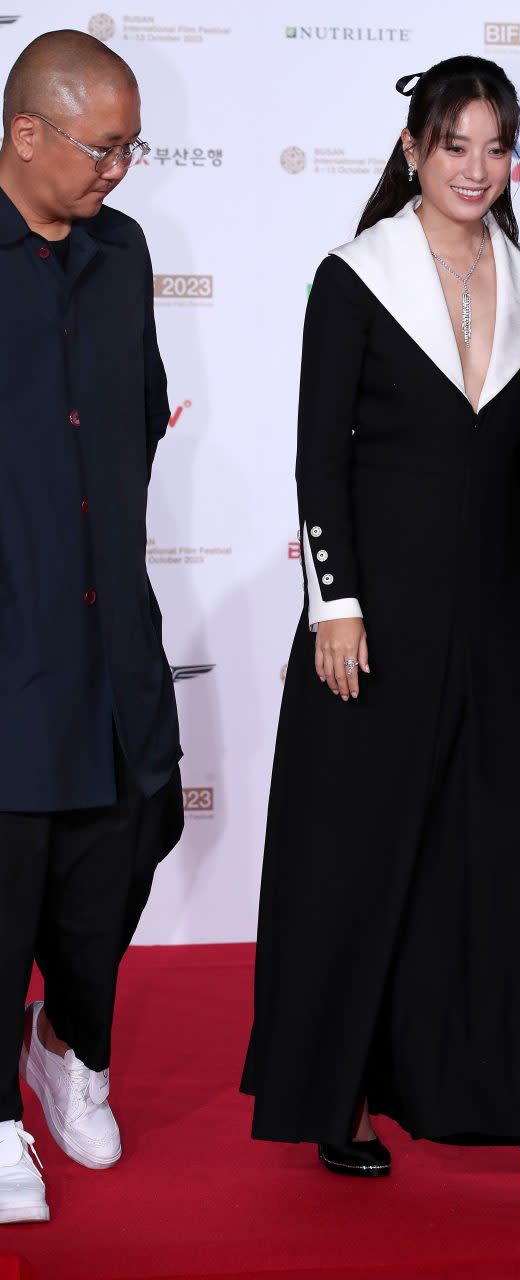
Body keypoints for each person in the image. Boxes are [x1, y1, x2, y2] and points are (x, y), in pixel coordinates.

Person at [242, 55, 520, 1198]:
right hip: (372, 623)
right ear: (413, 152)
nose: (476, 170)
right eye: (455, 146)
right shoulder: (354, 277)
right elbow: (315, 457)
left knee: (510, 859)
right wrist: (330, 605)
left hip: (495, 617)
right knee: (354, 859)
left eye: (495, 147)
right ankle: (337, 1086)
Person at [0, 31, 182, 1226]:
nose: (119, 169)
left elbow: (133, 419)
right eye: (100, 146)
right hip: (9, 629)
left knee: (129, 841)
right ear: (25, 135)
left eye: (129, 145)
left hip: (113, 625)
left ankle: (63, 1039)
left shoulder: (123, 255)